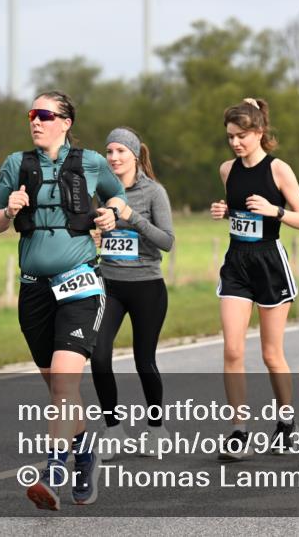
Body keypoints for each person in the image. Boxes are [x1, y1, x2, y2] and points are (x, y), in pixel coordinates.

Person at [0, 90, 129, 510]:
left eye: (45, 114)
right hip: (34, 289)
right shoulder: (16, 164)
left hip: (80, 284)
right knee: (58, 390)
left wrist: (111, 212)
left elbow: (117, 194)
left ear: (65, 122)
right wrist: (9, 211)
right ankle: (85, 453)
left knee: (66, 382)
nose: (36, 120)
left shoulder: (90, 162)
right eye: (32, 113)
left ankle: (52, 472)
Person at [209, 98, 299, 459]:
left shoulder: (279, 169)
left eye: (241, 136)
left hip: (269, 262)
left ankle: (286, 423)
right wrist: (223, 211)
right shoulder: (227, 170)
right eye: (230, 137)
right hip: (237, 262)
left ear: (259, 133)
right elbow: (235, 208)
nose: (235, 143)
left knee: (271, 354)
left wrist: (276, 211)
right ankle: (238, 430)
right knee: (233, 349)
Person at [90, 127, 175, 460]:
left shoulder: (154, 192)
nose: (113, 158)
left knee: (144, 361)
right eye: (109, 152)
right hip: (109, 284)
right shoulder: (101, 191)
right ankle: (114, 430)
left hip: (147, 287)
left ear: (135, 155)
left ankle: (156, 429)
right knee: (98, 356)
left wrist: (130, 216)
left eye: (120, 152)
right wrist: (94, 239)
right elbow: (96, 230)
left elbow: (167, 241)